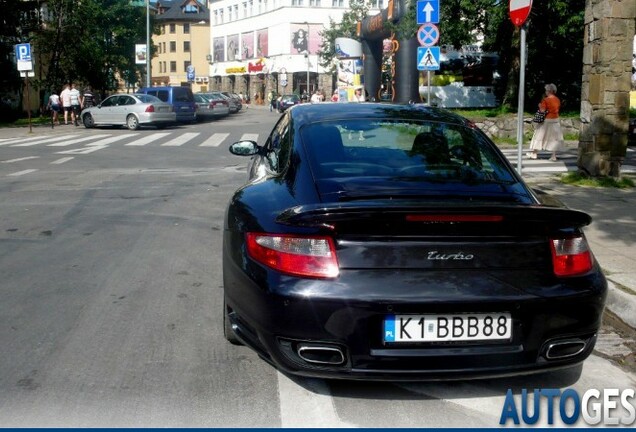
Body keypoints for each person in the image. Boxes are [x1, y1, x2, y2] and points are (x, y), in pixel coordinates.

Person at [527, 83, 565, 161]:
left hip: (546, 120)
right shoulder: (557, 99)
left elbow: (542, 110)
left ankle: (534, 153)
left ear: (549, 91)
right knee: (554, 138)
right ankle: (553, 156)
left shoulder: (546, 100)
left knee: (539, 136)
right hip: (555, 120)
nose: (545, 92)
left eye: (546, 90)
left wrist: (540, 106)